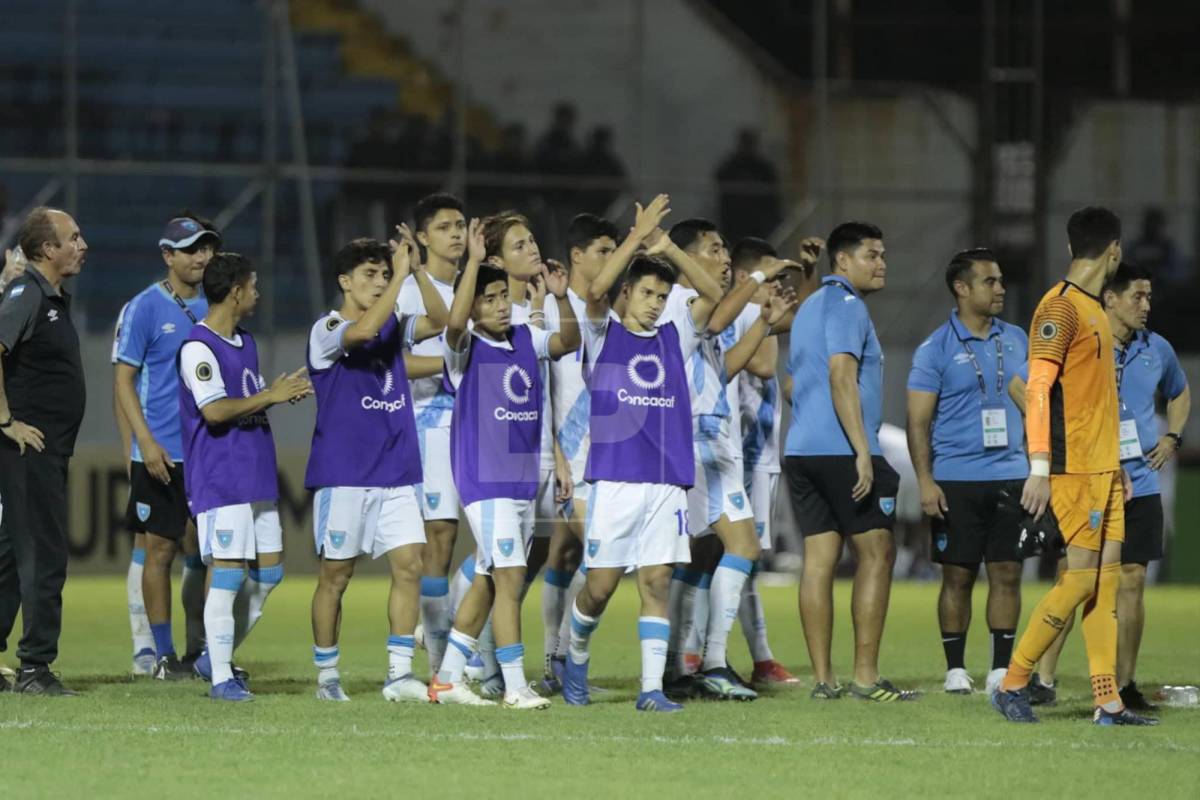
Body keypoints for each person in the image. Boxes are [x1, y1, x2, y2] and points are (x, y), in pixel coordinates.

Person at [990, 207, 1156, 726]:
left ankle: (1108, 701)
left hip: (1105, 469)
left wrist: (1117, 463)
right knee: (1080, 582)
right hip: (1073, 467)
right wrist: (1039, 465)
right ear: (1115, 252)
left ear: (1070, 248)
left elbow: (1097, 396)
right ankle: (1013, 681)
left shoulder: (1091, 310)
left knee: (1104, 586)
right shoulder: (1058, 309)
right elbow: (1036, 387)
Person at [1010, 262, 1190, 713]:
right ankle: (1035, 678)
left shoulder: (1157, 349)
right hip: (1085, 474)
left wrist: (1172, 437)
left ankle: (1118, 688)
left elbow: (1180, 392)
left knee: (1125, 581)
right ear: (1110, 297)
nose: (1146, 306)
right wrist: (1053, 443)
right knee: (1076, 578)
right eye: (1138, 296)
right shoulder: (1082, 333)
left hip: (1134, 478)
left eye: (1149, 297)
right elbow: (1025, 383)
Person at [560, 199, 718, 712]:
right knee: (601, 588)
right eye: (646, 293)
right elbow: (595, 289)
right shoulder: (604, 335)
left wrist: (667, 246)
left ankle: (650, 690)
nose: (654, 303)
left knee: (656, 581)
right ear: (628, 293)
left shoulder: (677, 337)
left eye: (662, 295)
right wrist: (637, 237)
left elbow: (714, 292)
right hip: (616, 482)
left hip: (666, 481)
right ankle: (575, 654)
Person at [428, 219, 579, 709]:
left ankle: (448, 679)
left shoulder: (524, 339)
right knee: (511, 578)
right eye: (486, 299)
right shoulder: (466, 349)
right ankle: (514, 685)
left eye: (501, 299)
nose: (497, 306)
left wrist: (558, 299)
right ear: (472, 308)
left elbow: (568, 344)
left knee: (492, 578)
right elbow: (452, 326)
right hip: (485, 480)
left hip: (518, 481)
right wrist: (472, 262)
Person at [307, 229, 449, 702]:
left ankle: (398, 674)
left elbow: (442, 319)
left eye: (384, 275)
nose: (380, 281)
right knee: (336, 576)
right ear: (344, 281)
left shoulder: (395, 321)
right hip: (344, 472)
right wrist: (400, 277)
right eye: (370, 274)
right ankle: (328, 677)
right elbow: (363, 331)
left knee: (410, 565)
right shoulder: (326, 330)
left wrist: (419, 271)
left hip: (396, 468)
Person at [661, 217, 797, 701]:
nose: (723, 259)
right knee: (743, 547)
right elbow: (718, 320)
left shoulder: (692, 308)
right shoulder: (684, 303)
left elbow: (725, 367)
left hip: (708, 438)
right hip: (701, 440)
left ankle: (678, 664)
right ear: (687, 257)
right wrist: (759, 279)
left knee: (700, 556)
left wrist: (763, 321)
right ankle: (715, 660)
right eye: (714, 250)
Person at [785, 221, 917, 702]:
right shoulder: (846, 305)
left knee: (819, 561)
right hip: (843, 449)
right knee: (878, 553)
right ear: (842, 261)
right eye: (871, 255)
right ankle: (865, 677)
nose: (881, 263)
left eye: (883, 255)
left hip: (801, 450)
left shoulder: (807, 309)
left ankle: (824, 681)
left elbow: (793, 384)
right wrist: (863, 449)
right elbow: (842, 375)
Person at [177, 252, 313, 702]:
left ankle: (214, 658)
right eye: (253, 285)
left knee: (270, 574)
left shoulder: (246, 342)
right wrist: (269, 396)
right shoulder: (198, 347)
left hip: (255, 474)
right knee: (229, 574)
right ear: (235, 291)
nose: (257, 292)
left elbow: (244, 401)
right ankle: (220, 678)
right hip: (221, 477)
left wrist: (270, 395)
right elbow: (214, 412)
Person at [905, 248, 1030, 697]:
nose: (1000, 289)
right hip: (955, 478)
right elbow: (917, 422)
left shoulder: (1017, 338)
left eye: (999, 281)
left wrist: (1040, 469)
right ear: (961, 288)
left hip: (1012, 474)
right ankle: (955, 667)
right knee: (957, 575)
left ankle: (1001, 667)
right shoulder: (935, 348)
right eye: (989, 282)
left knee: (1007, 572)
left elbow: (1037, 406)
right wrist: (924, 480)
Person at [113, 214, 221, 680]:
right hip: (163, 453)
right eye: (190, 248)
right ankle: (160, 654)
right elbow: (123, 380)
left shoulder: (220, 303)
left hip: (210, 452)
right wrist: (143, 443)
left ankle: (205, 650)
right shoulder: (144, 307)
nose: (201, 256)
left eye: (206, 247)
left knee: (213, 553)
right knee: (158, 551)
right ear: (167, 255)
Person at [726, 236, 823, 685]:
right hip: (739, 454)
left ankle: (755, 658)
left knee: (744, 561)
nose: (779, 288)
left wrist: (808, 274)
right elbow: (765, 367)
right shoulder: (741, 313)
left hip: (757, 452)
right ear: (748, 278)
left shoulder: (755, 314)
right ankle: (703, 656)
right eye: (772, 277)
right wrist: (767, 319)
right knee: (733, 557)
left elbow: (806, 322)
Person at [0, 207, 88, 695]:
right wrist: (6, 421)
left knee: (13, 556)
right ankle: (35, 666)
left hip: (43, 451)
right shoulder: (26, 293)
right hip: (30, 450)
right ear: (47, 249)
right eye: (72, 237)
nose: (82, 244)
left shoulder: (45, 296)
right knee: (44, 554)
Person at [539, 212, 620, 692]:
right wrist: (555, 451)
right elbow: (538, 387)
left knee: (561, 555)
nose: (612, 262)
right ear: (576, 255)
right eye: (604, 252)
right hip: (565, 460)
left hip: (600, 456)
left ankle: (552, 660)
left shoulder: (611, 311)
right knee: (599, 556)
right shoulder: (550, 306)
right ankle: (564, 659)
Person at [397, 192, 466, 677]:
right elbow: (390, 361)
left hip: (477, 424)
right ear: (423, 237)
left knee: (510, 538)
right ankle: (441, 665)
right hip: (429, 421)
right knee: (438, 539)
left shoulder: (472, 285)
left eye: (461, 225)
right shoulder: (404, 292)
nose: (456, 233)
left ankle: (439, 633)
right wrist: (454, 369)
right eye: (444, 227)